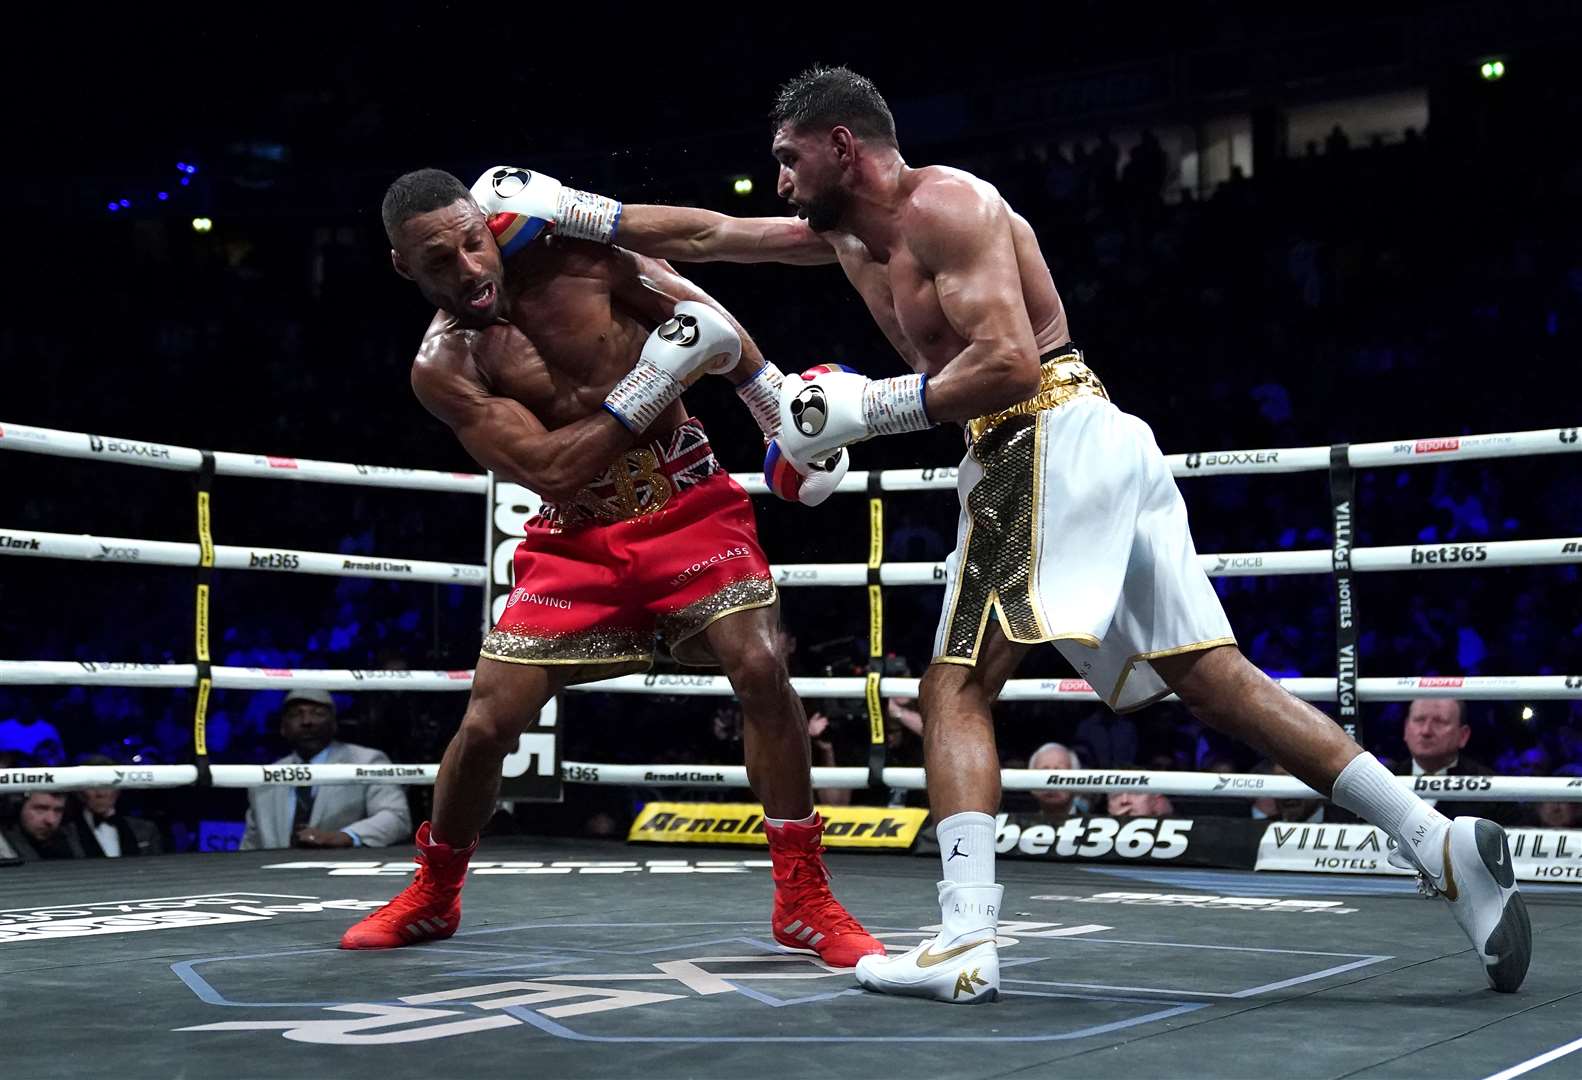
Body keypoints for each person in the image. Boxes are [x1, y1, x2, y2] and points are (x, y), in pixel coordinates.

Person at [534, 65, 1530, 998]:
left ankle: (965, 939)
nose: (780, 178)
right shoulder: (848, 237)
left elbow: (1008, 362)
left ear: (844, 144)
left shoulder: (946, 205)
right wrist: (569, 209)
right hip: (1075, 441)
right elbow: (708, 237)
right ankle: (1437, 842)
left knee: (955, 682)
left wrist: (865, 409)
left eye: (791, 157)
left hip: (1039, 432)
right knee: (1217, 681)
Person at [339, 168, 881, 967]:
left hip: (689, 504)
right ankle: (435, 890)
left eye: (469, 242)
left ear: (487, 226)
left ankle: (803, 897)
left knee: (762, 665)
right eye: (438, 263)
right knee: (488, 721)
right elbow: (552, 472)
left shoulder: (578, 259)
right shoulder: (444, 367)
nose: (467, 269)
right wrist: (656, 378)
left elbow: (701, 316)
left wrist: (767, 400)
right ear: (404, 270)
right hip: (576, 535)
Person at [241, 689, 413, 851]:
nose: (307, 721)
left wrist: (345, 836)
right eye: (296, 714)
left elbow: (396, 818)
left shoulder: (367, 762)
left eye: (318, 713)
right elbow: (250, 845)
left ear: (334, 723)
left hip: (344, 875)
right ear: (283, 727)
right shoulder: (265, 778)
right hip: (273, 878)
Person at [1398, 698, 1512, 824]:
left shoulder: (1495, 791)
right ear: (1406, 729)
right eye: (1419, 720)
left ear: (1463, 735)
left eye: (1439, 722)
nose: (1426, 731)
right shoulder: (1384, 778)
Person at [63, 755, 163, 857]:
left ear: (118, 790)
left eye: (107, 785)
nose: (101, 793)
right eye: (92, 786)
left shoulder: (146, 830)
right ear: (79, 792)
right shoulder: (65, 834)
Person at [1, 791, 77, 861]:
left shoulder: (69, 838)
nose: (51, 820)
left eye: (58, 810)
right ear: (19, 807)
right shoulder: (5, 843)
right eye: (41, 809)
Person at [1027, 741, 1087, 819]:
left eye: (1059, 771)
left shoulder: (1093, 824)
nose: (1052, 782)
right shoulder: (1020, 824)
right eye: (1044, 772)